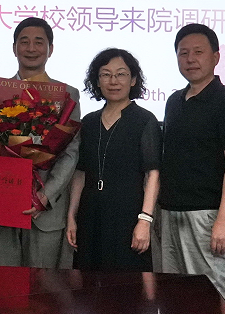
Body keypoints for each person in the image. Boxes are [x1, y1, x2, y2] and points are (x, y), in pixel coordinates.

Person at [0, 17, 82, 269]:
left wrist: (46, 196)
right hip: (1, 203)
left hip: (46, 210)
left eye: (39, 42)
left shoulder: (67, 95)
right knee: (2, 284)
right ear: (14, 48)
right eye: (24, 42)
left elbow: (70, 153)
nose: (31, 48)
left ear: (51, 49)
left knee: (43, 287)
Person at [156, 23, 225, 300]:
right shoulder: (174, 101)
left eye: (198, 52)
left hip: (206, 216)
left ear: (216, 57)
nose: (190, 59)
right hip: (170, 212)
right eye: (183, 53)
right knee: (173, 296)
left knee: (210, 295)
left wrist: (224, 220)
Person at [66, 48, 160, 271]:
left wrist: (145, 220)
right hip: (90, 215)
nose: (113, 81)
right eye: (106, 74)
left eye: (121, 74)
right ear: (97, 81)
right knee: (87, 283)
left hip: (128, 216)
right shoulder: (89, 122)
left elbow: (153, 174)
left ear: (133, 80)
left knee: (127, 284)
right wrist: (71, 216)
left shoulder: (144, 120)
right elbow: (80, 173)